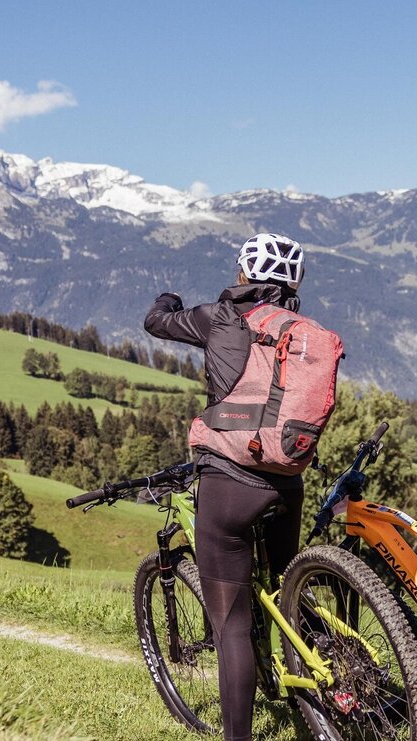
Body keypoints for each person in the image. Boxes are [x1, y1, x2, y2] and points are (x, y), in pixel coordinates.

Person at [143, 233, 306, 741]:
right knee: (289, 591)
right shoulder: (301, 330)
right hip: (286, 482)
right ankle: (329, 693)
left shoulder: (218, 316)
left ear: (243, 276)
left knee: (231, 623)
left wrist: (167, 300)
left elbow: (156, 322)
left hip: (230, 481)